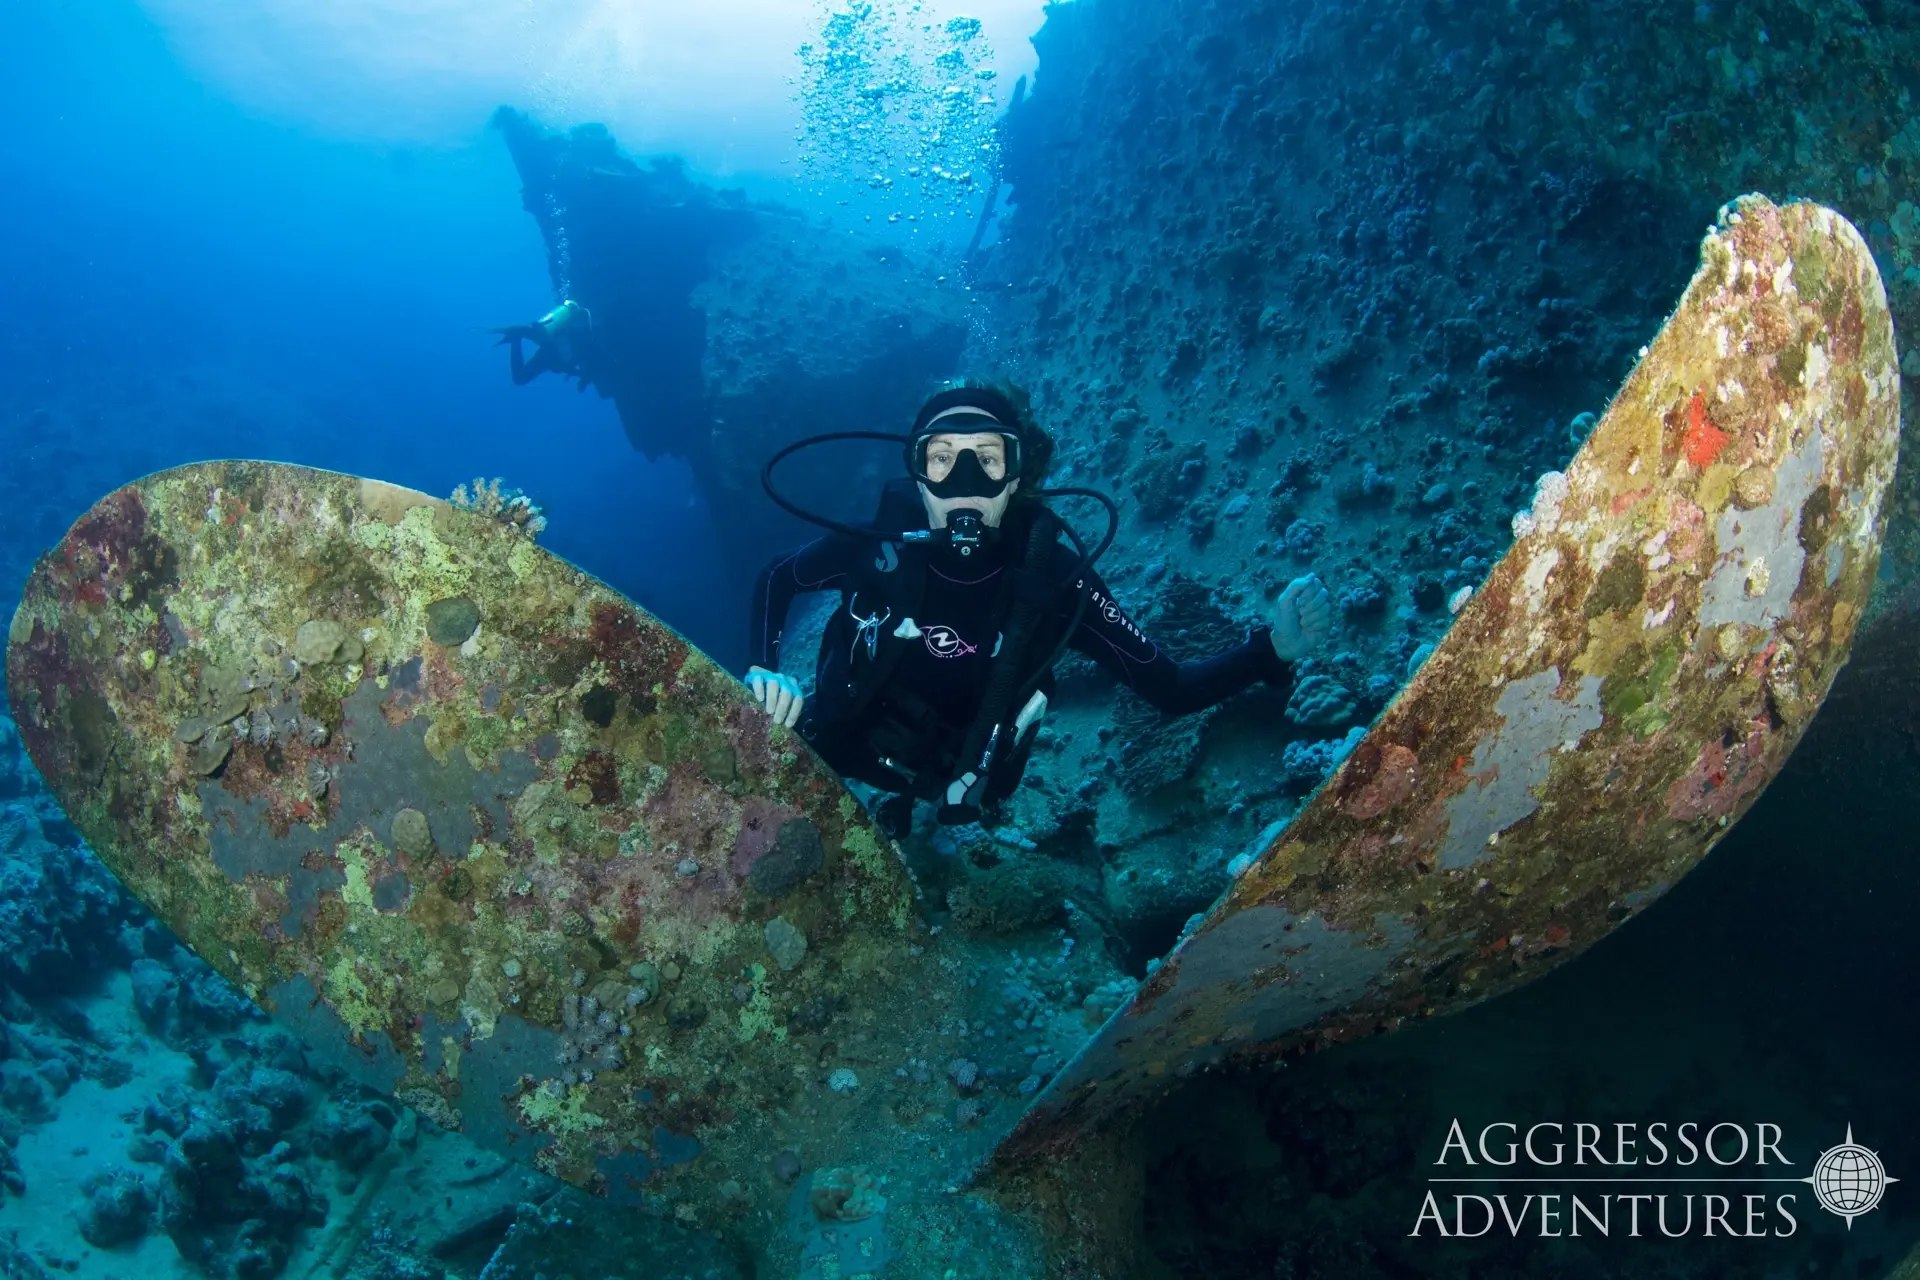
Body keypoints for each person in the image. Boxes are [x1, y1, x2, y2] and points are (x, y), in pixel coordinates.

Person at [745, 382, 1334, 834]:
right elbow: (776, 576)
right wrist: (765, 664)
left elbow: (1171, 688)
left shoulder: (1052, 579)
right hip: (837, 733)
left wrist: (1272, 649)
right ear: (917, 473)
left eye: (989, 458)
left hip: (954, 782)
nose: (965, 481)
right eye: (943, 458)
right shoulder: (877, 544)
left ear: (1017, 473)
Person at [494, 299, 595, 388]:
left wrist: (580, 376)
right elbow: (574, 360)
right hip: (553, 353)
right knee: (520, 378)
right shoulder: (584, 339)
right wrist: (581, 376)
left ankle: (517, 335)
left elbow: (572, 362)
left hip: (550, 349)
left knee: (520, 378)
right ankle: (517, 336)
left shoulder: (580, 334)